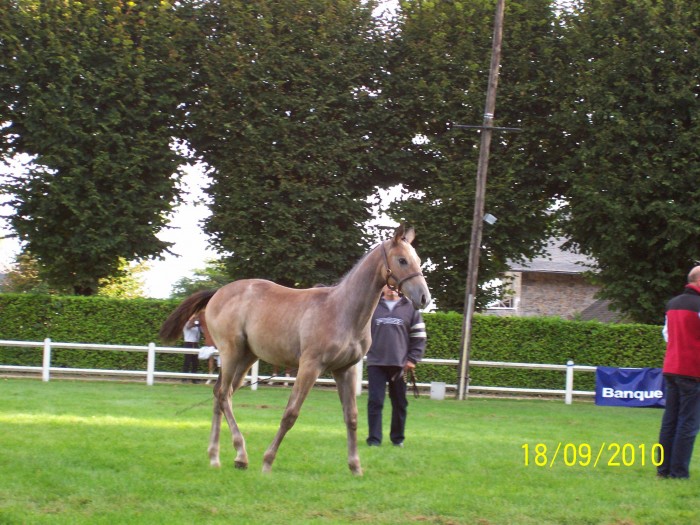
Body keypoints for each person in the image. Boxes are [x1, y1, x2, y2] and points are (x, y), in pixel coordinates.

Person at [366, 284, 427, 447]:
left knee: (399, 403)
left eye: (394, 286)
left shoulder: (411, 308)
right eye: (388, 286)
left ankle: (397, 439)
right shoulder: (372, 307)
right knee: (375, 402)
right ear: (382, 287)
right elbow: (361, 331)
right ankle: (374, 440)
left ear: (400, 288)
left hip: (400, 365)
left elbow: (419, 337)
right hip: (376, 363)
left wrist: (412, 359)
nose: (391, 288)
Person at [657, 265, 700, 479]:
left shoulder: (672, 304)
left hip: (671, 367)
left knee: (670, 421)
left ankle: (663, 469)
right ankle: (678, 471)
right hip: (692, 369)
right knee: (688, 422)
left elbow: (667, 335)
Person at [182, 313, 202, 381]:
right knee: (187, 361)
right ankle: (184, 378)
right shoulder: (187, 323)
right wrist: (195, 322)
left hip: (195, 344)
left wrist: (199, 324)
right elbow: (189, 326)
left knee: (195, 362)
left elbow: (202, 331)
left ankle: (194, 378)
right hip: (188, 343)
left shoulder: (197, 326)